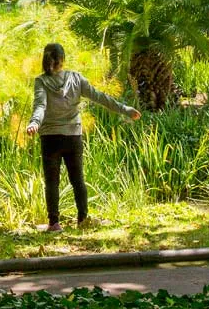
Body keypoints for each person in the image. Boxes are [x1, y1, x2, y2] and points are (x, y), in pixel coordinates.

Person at [26, 43, 141, 232]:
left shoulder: (41, 81)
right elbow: (100, 97)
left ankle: (54, 223)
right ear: (63, 59)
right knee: (77, 179)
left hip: (50, 138)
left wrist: (34, 123)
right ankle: (82, 220)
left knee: (52, 182)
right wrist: (125, 109)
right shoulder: (76, 78)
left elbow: (40, 105)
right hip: (73, 137)